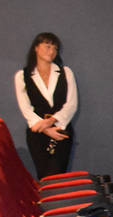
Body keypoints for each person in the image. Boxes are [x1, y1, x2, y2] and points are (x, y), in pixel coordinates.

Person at [14, 32, 78, 179]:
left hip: (61, 131)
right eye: (48, 46)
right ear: (36, 48)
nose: (52, 51)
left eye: (55, 48)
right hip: (37, 134)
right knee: (44, 177)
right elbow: (26, 108)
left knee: (57, 176)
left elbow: (71, 105)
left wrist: (51, 121)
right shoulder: (22, 76)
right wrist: (45, 129)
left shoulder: (66, 73)